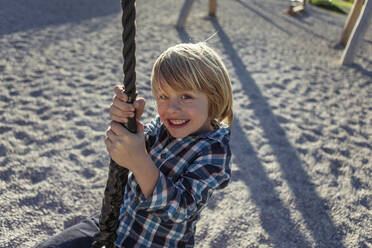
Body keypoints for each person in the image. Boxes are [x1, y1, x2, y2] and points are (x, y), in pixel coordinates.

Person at [34, 42, 233, 248]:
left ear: (214, 97)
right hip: (116, 221)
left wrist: (139, 161)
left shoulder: (213, 150)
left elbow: (181, 208)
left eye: (186, 96)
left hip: (152, 242)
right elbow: (126, 151)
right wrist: (128, 122)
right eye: (164, 96)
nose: (172, 108)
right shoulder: (162, 126)